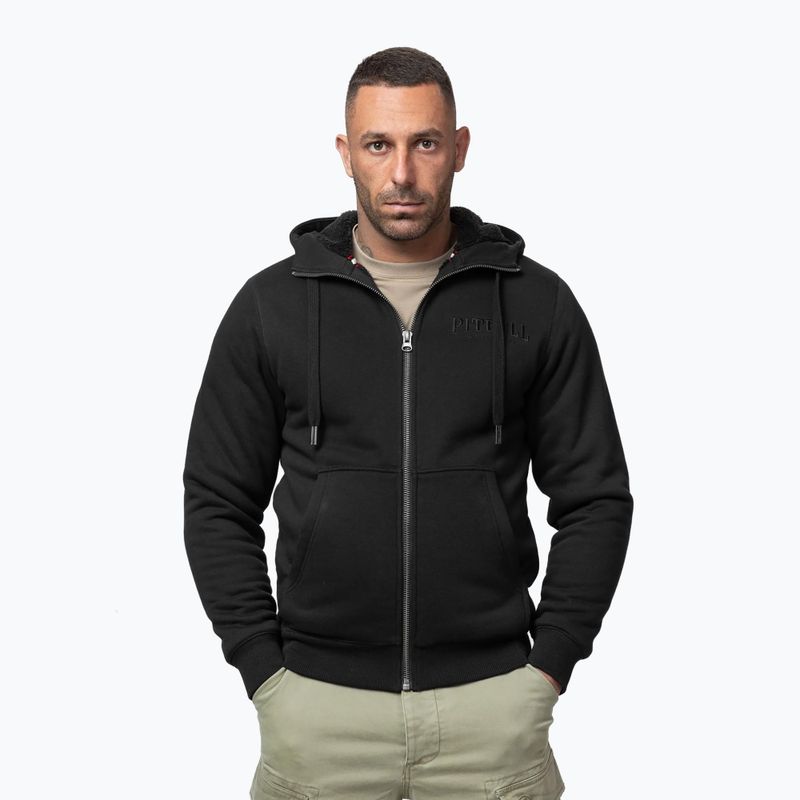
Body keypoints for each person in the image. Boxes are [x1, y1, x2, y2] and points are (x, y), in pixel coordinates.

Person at [183, 46, 633, 800]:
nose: (401, 173)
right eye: (377, 144)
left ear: (459, 148)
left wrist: (548, 665)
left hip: (492, 710)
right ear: (344, 153)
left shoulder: (536, 304)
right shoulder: (271, 308)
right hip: (317, 712)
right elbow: (216, 500)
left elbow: (595, 498)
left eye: (425, 143)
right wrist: (263, 669)